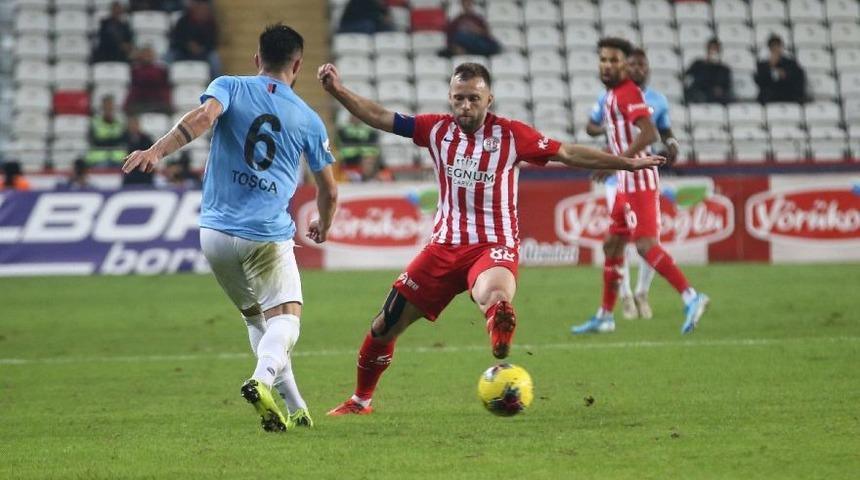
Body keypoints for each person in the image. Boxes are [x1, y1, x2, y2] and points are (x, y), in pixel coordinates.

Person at [317, 60, 663, 416]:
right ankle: (360, 401)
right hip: (443, 246)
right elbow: (380, 116)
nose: (466, 106)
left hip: (493, 244)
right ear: (450, 98)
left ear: (489, 100)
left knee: (494, 295)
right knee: (384, 324)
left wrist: (624, 162)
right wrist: (337, 90)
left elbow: (567, 152)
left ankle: (499, 323)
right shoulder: (435, 129)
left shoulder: (512, 135)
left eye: (474, 98)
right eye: (459, 98)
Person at [122, 24, 338, 432]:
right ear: (297, 65)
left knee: (257, 321)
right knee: (286, 319)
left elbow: (203, 117)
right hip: (265, 235)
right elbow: (329, 188)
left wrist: (156, 151)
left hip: (215, 235)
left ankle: (296, 407)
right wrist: (324, 223)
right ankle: (262, 380)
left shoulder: (229, 86)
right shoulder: (308, 119)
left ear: (257, 59)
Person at [572, 38, 709, 336]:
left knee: (645, 246)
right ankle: (605, 316)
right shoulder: (611, 95)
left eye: (614, 60)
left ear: (624, 65)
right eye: (603, 60)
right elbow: (602, 130)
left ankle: (691, 296)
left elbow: (649, 133)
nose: (607, 66)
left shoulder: (628, 92)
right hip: (625, 182)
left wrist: (615, 163)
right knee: (612, 244)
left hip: (639, 182)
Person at [585, 47, 681, 320]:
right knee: (619, 240)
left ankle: (642, 292)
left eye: (642, 65)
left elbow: (663, 130)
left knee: (647, 239)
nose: (638, 69)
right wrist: (609, 128)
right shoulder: (608, 96)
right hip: (616, 178)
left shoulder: (658, 99)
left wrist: (672, 143)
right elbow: (590, 126)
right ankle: (625, 295)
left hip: (642, 174)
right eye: (633, 64)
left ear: (647, 68)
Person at [168, 0, 222, 77]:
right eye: (200, 8)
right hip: (182, 51)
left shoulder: (211, 23)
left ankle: (216, 82)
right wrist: (188, 45)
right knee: (168, 58)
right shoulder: (182, 21)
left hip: (204, 52)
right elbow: (176, 39)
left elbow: (213, 41)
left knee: (215, 60)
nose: (202, 11)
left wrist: (201, 48)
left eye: (204, 9)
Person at [755, 34, 807, 104]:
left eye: (778, 46)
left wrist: (785, 74)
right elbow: (760, 81)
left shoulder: (790, 62)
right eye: (773, 46)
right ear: (769, 48)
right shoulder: (763, 64)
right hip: (771, 96)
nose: (776, 49)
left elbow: (798, 76)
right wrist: (770, 66)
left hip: (788, 94)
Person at [684, 38, 733, 104]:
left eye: (716, 50)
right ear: (707, 50)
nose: (713, 52)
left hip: (715, 99)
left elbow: (726, 87)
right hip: (698, 95)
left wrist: (720, 90)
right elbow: (687, 77)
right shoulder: (698, 64)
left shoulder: (724, 70)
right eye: (712, 49)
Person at [125, 45, 171, 114]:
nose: (147, 56)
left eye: (149, 54)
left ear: (154, 55)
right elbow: (133, 89)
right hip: (140, 102)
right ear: (140, 55)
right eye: (145, 54)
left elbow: (165, 88)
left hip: (158, 102)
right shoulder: (135, 71)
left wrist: (168, 102)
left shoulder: (161, 71)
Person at [86, 95, 128, 167]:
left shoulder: (120, 122)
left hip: (118, 159)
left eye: (110, 106)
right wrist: (113, 140)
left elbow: (124, 139)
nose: (109, 109)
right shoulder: (95, 122)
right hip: (99, 158)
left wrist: (104, 140)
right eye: (106, 106)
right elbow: (94, 140)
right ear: (102, 107)